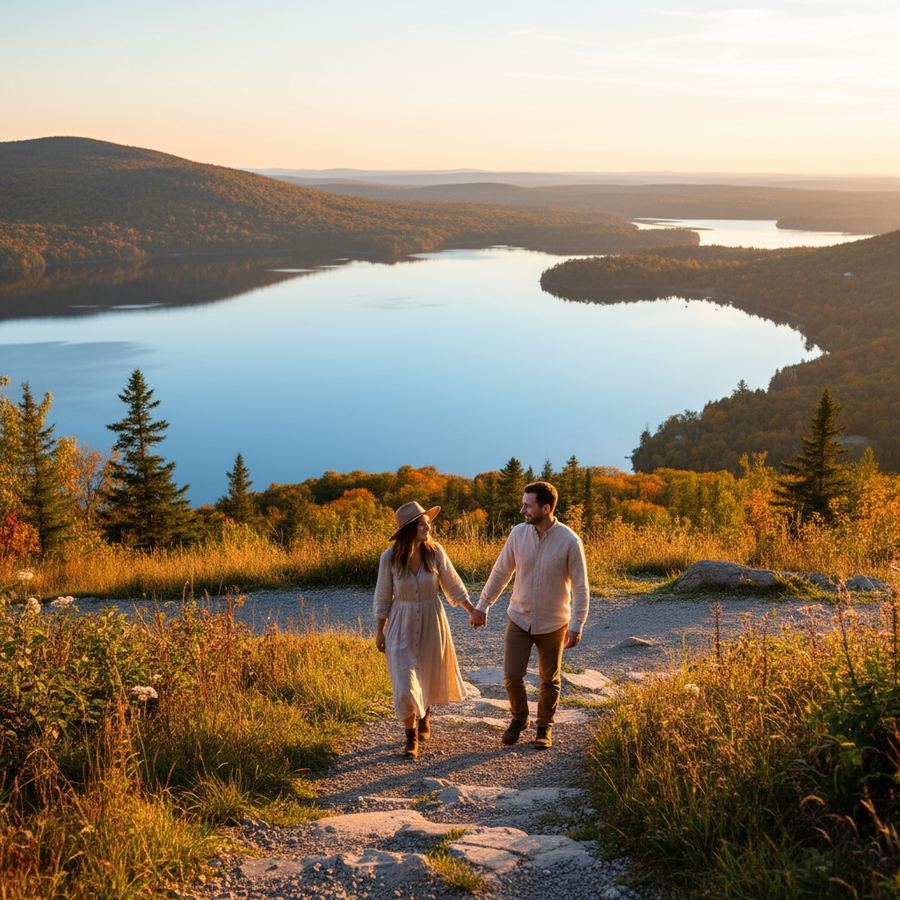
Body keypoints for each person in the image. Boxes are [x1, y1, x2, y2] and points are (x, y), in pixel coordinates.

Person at [470, 481, 589, 750]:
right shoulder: (517, 535)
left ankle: (544, 728)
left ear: (545, 508)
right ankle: (519, 717)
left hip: (553, 622)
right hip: (519, 617)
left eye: (528, 505)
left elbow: (581, 587)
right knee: (512, 675)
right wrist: (482, 605)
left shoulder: (570, 541)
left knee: (550, 679)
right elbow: (501, 572)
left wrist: (577, 623)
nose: (523, 510)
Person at [374, 501, 480, 759]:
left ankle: (425, 714)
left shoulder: (436, 552)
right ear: (410, 529)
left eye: (428, 522)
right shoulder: (389, 558)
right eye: (422, 524)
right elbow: (382, 595)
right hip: (402, 621)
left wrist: (472, 610)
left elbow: (452, 584)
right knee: (404, 681)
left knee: (429, 670)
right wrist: (380, 630)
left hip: (433, 618)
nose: (428, 527)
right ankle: (410, 739)